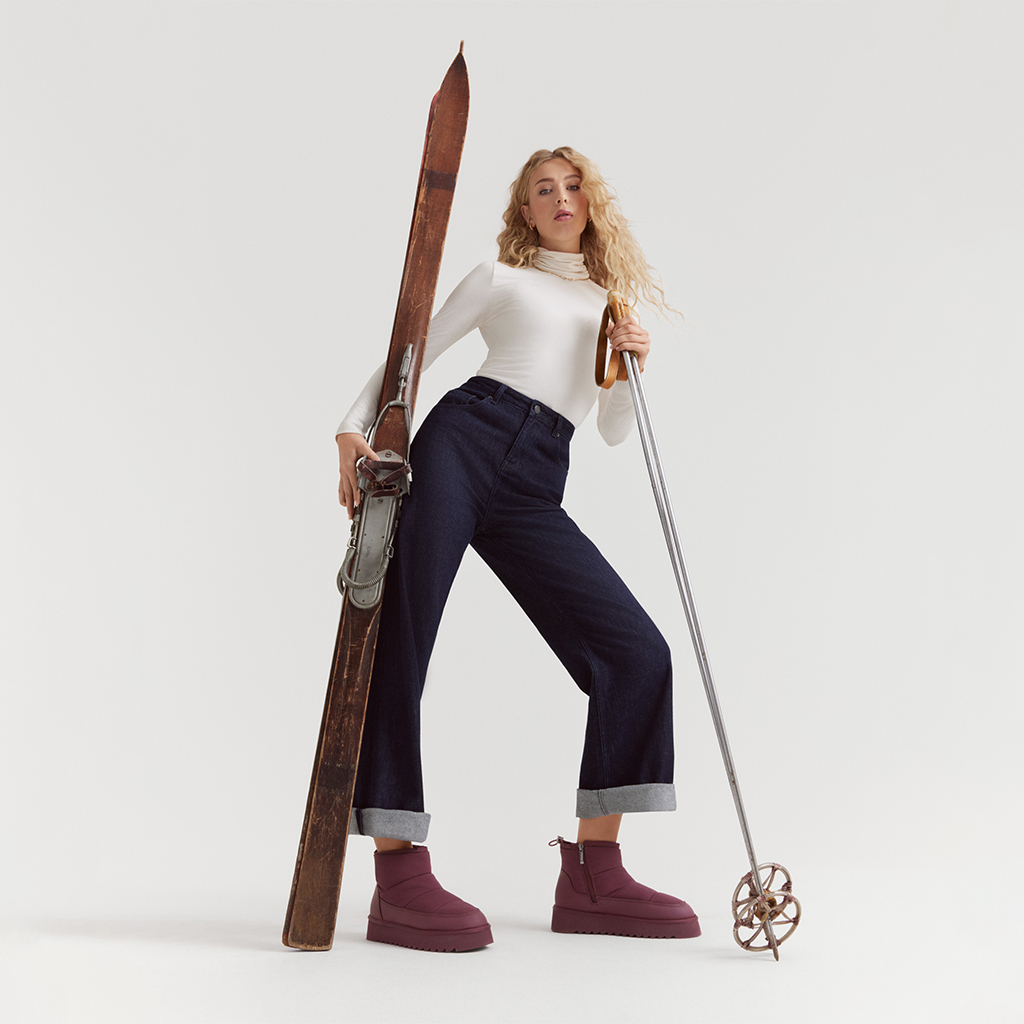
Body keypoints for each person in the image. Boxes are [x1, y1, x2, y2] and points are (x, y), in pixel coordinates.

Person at [334, 147, 700, 952]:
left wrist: (632, 364)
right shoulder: (501, 279)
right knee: (404, 636)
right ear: (525, 212)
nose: (561, 197)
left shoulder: (609, 306)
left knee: (637, 652)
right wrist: (351, 427)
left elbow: (612, 432)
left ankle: (595, 873)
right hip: (464, 442)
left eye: (573, 186)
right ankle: (398, 872)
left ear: (591, 202)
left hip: (537, 477)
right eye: (544, 189)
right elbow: (416, 350)